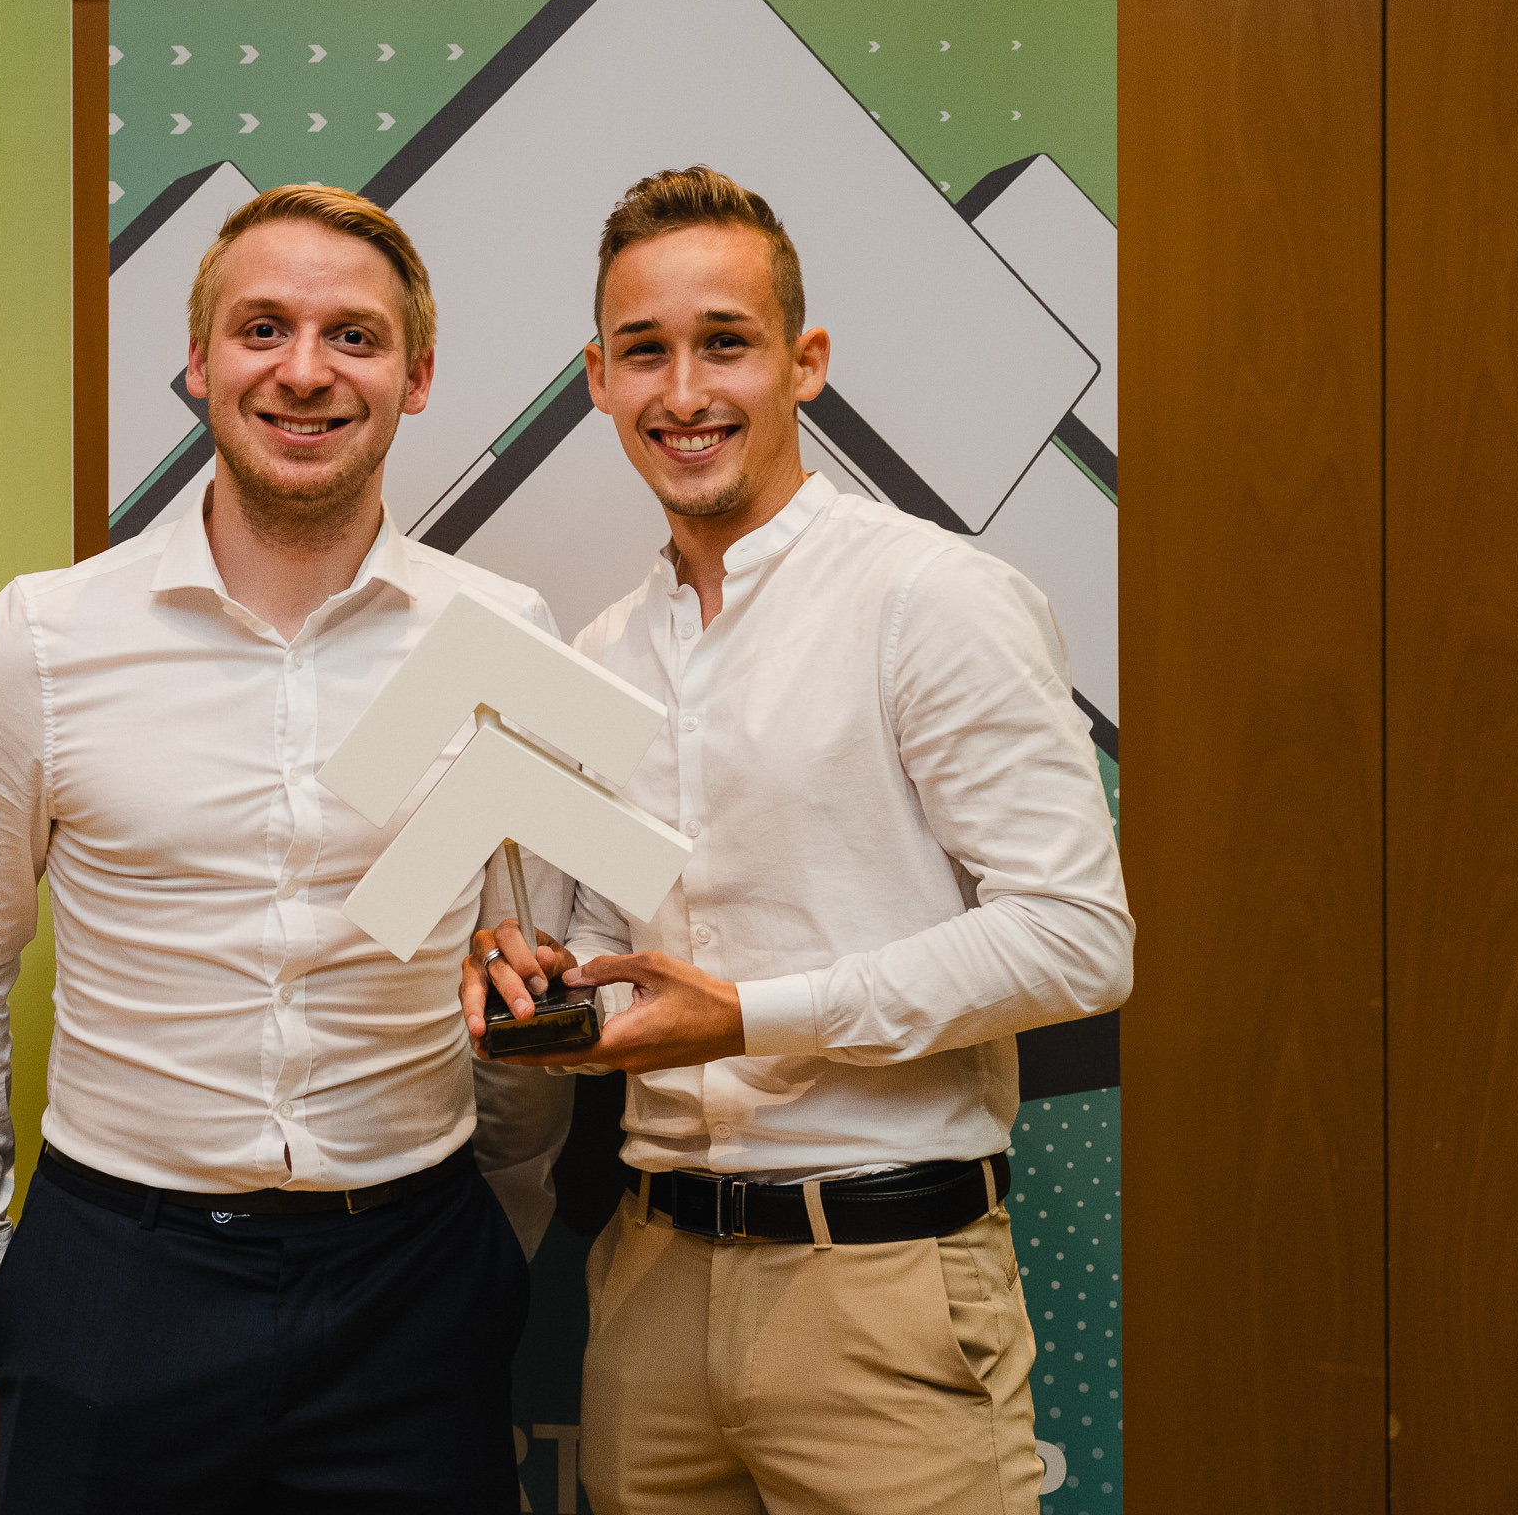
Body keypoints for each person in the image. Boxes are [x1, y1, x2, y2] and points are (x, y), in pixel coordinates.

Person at [466, 166, 1133, 1515]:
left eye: (725, 342)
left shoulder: (932, 599)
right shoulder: (599, 655)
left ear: (804, 362)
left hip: (883, 1282)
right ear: (597, 380)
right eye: (644, 351)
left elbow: (1078, 940)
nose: (683, 391)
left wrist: (749, 1015)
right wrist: (541, 979)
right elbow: (611, 953)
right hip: (649, 1288)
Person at [0, 185, 542, 1512]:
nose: (305, 369)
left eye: (354, 336)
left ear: (416, 379)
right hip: (120, 1278)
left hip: (414, 1279)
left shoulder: (503, 637)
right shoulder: (50, 638)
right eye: (263, 328)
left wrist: (501, 1234)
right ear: (198, 363)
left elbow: (522, 956)